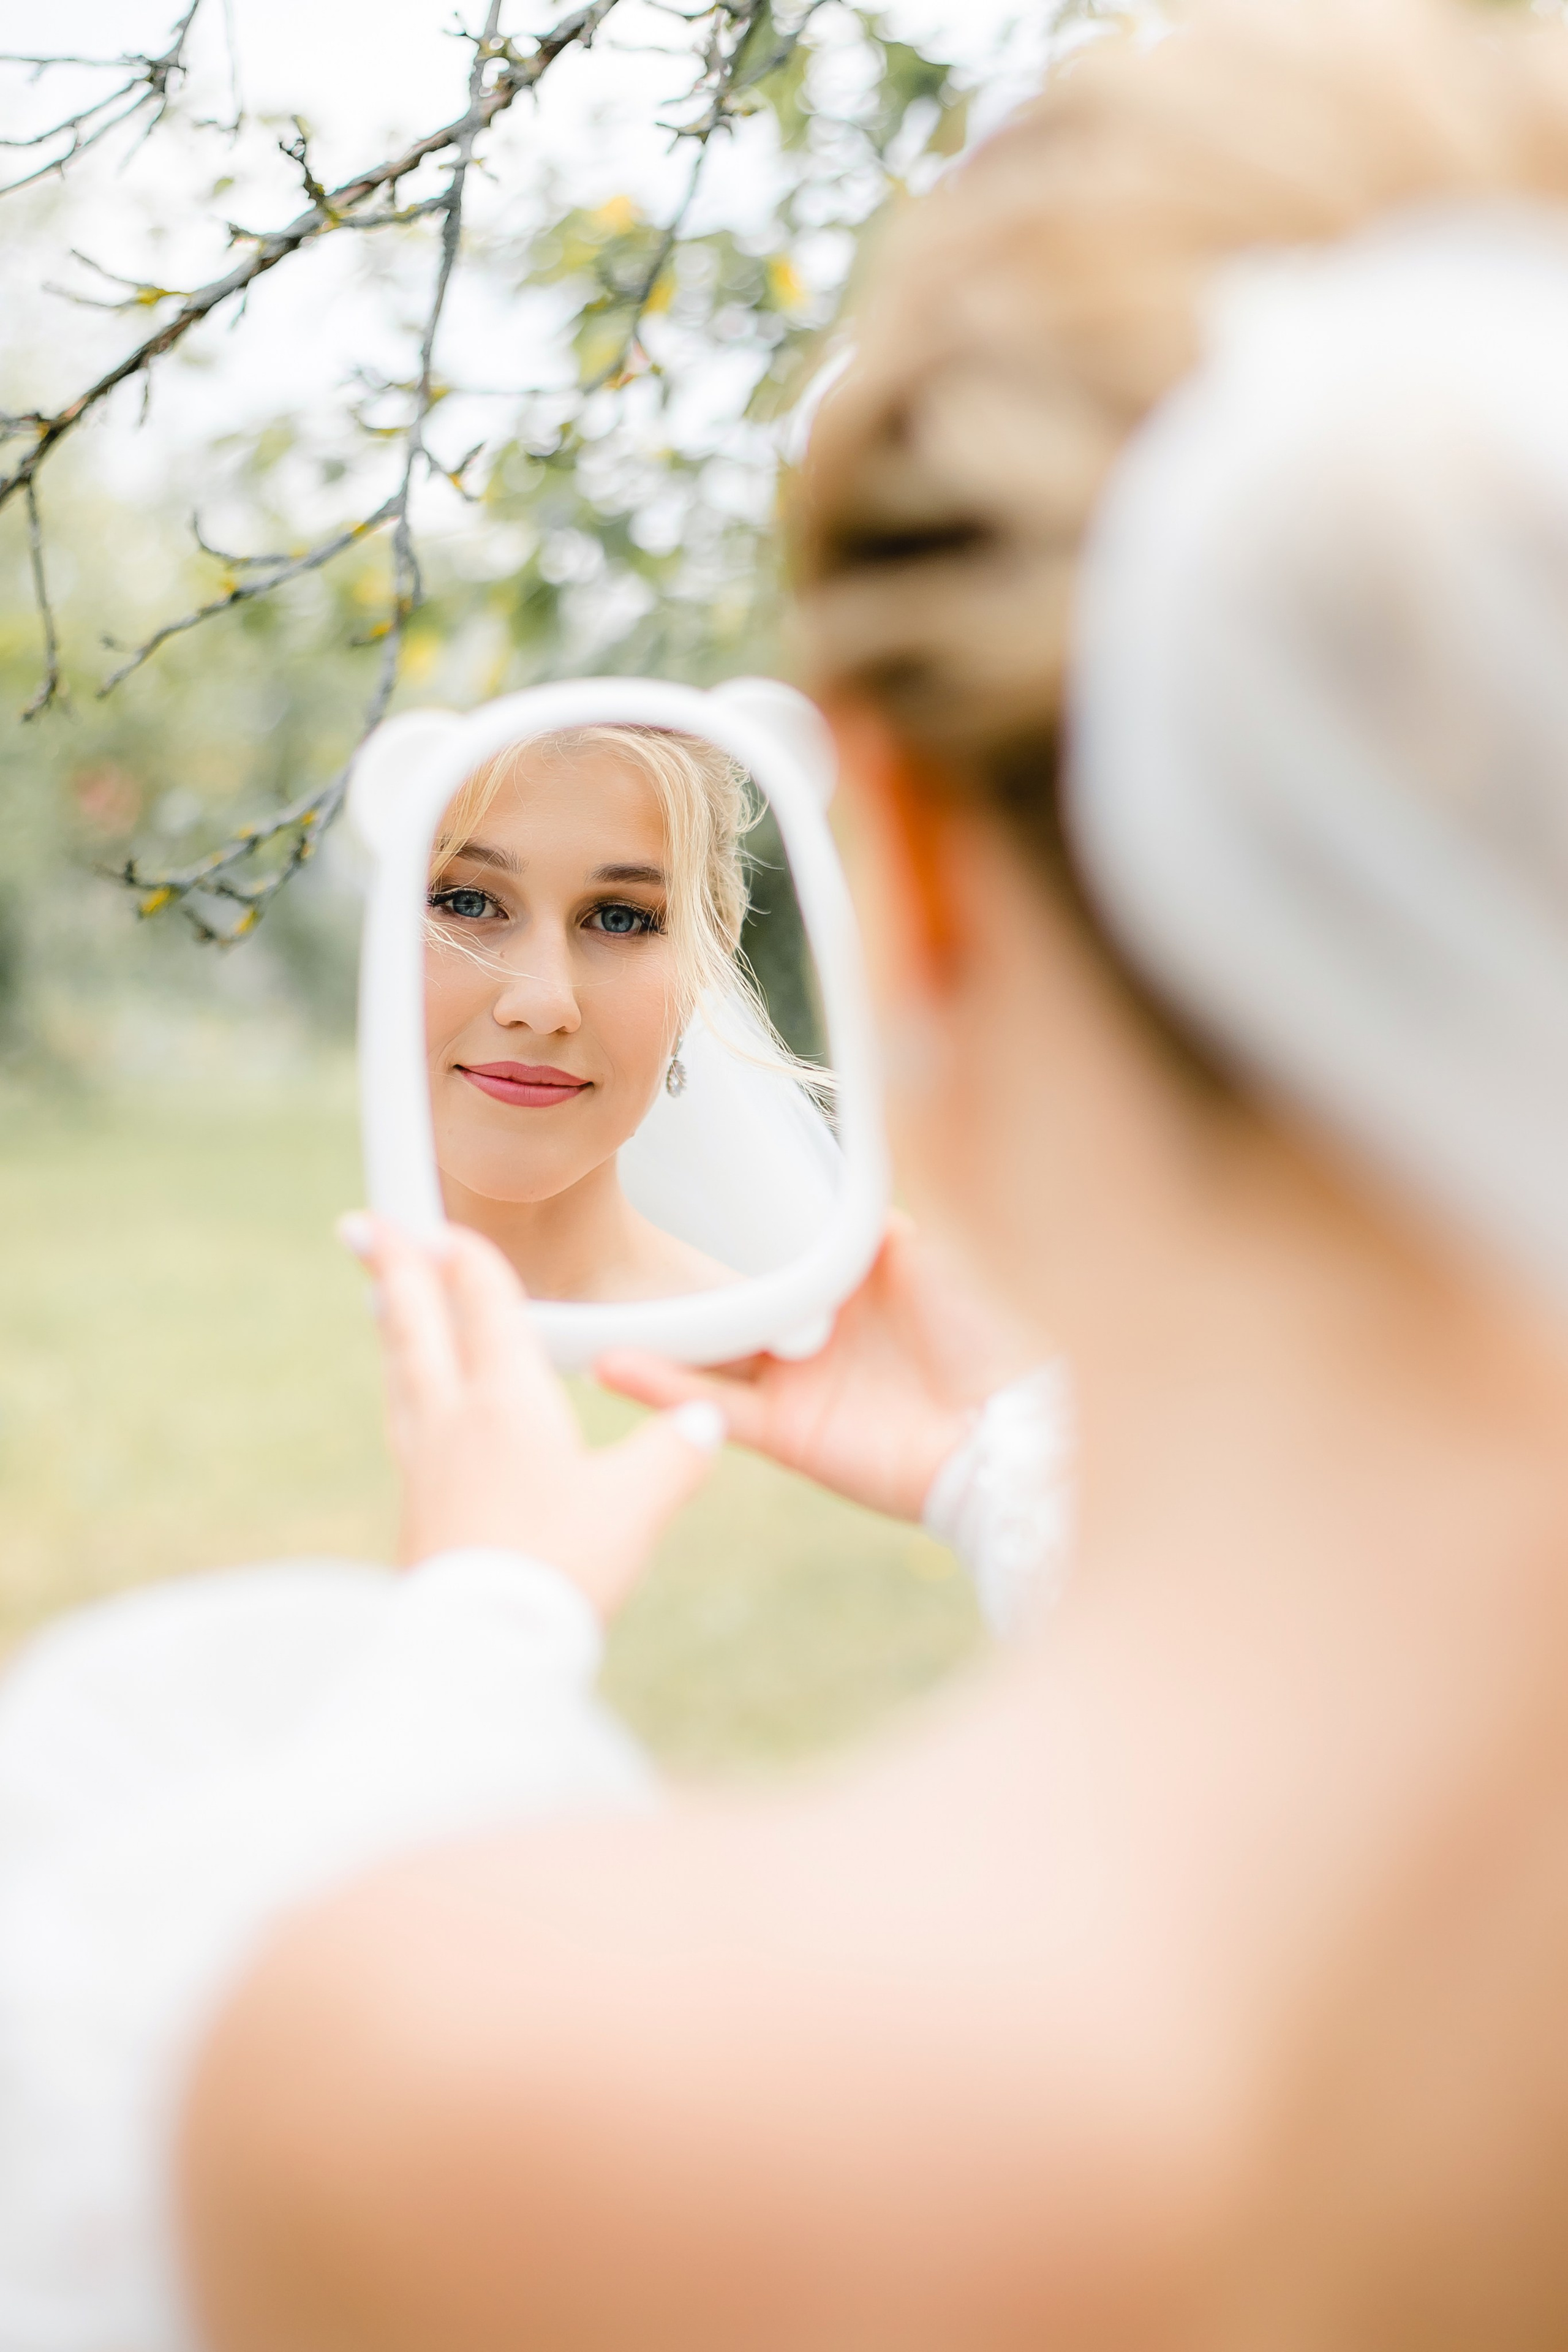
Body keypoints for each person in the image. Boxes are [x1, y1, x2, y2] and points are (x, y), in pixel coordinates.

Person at [170, 1, 1568, 2346]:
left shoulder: (482, 2100)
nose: (540, 990)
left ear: (895, 877)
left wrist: (480, 1642)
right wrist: (1015, 1469)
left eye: (622, 917)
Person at [426, 725, 765, 1301]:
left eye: (619, 919)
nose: (543, 1004)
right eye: (469, 902)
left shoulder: (759, 1342)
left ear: (708, 960)